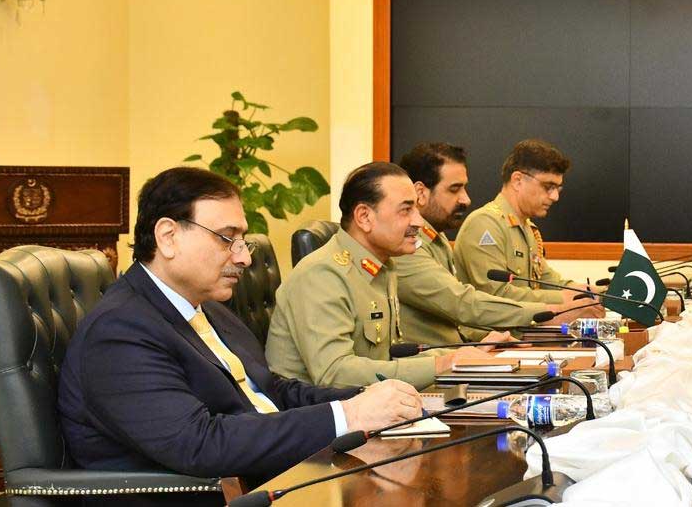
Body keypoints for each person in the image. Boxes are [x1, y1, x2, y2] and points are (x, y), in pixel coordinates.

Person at [57, 167, 421, 501]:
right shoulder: (120, 331)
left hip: (276, 478)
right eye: (226, 238)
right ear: (168, 236)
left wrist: (370, 398)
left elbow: (270, 390)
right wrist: (349, 415)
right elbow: (199, 443)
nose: (244, 257)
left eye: (242, 240)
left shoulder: (208, 307)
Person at [265, 162, 487, 389]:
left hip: (372, 407)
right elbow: (335, 373)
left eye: (417, 210)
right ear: (364, 217)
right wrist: (440, 365)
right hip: (319, 416)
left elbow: (385, 362)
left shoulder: (383, 267)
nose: (418, 222)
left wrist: (464, 355)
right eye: (405, 210)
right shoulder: (321, 274)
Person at [394, 142, 602, 346]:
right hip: (441, 365)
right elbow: (467, 303)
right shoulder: (480, 225)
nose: (466, 199)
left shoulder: (437, 240)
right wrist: (557, 308)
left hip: (472, 348)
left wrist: (591, 293)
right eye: (454, 189)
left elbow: (548, 280)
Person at [455, 139, 594, 303]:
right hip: (489, 329)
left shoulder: (527, 228)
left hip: (521, 327)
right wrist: (565, 298)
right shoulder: (485, 224)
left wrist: (596, 293)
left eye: (558, 189)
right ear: (518, 180)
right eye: (548, 186)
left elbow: (548, 281)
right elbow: (497, 295)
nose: (555, 197)